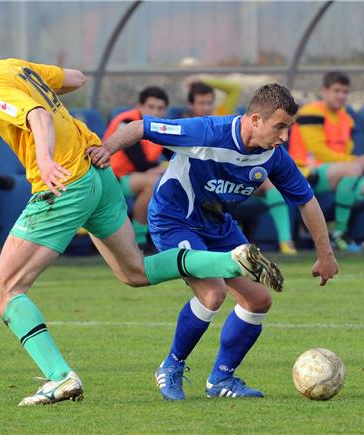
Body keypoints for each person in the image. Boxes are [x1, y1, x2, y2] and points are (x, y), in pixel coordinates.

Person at [0, 36, 284, 406]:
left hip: (66, 182)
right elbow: (76, 78)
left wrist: (44, 160)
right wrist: (42, 89)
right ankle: (230, 260)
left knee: (3, 289)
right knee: (135, 272)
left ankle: (60, 377)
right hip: (98, 174)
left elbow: (38, 116)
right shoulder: (11, 67)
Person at [95, 83, 339, 400]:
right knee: (213, 293)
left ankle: (221, 379)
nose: (284, 137)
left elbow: (306, 201)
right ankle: (171, 366)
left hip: (217, 224)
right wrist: (106, 149)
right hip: (174, 219)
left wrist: (326, 255)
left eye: (288, 128)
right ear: (254, 120)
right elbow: (140, 127)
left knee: (259, 300)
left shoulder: (274, 157)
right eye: (279, 127)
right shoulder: (207, 131)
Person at [289, 71, 364, 251]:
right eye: (336, 90)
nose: (341, 96)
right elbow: (317, 151)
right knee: (353, 169)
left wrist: (357, 161)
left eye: (345, 91)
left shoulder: (346, 118)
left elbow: (346, 152)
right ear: (324, 91)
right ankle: (339, 233)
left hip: (342, 176)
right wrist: (357, 162)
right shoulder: (311, 112)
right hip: (309, 174)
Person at [186, 76, 297, 255]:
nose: (206, 107)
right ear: (191, 105)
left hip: (236, 175)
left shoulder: (221, 115)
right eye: (201, 103)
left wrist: (203, 79)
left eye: (209, 102)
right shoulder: (187, 127)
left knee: (270, 186)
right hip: (205, 182)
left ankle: (286, 242)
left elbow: (234, 88)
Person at [105, 86, 169, 248]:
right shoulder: (126, 122)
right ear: (140, 106)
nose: (155, 112)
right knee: (154, 182)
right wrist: (163, 166)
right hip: (110, 178)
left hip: (131, 177)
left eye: (160, 108)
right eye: (151, 107)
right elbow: (140, 164)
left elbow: (175, 155)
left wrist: (165, 166)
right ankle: (139, 238)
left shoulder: (160, 127)